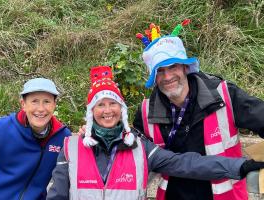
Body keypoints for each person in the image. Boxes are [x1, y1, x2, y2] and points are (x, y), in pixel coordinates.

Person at [47, 66, 264, 200]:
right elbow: (57, 195)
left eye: (113, 104)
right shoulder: (71, 148)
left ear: (121, 110)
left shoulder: (139, 147)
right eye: (99, 104)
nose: (107, 111)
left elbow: (186, 163)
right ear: (91, 112)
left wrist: (239, 166)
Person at [133, 20, 264, 200]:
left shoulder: (224, 95)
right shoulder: (146, 112)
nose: (168, 76)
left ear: (186, 67)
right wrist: (94, 132)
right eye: (160, 71)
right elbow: (128, 154)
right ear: (154, 78)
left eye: (173, 67)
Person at [0, 78, 72, 200]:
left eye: (47, 102)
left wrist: (87, 134)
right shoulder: (2, 129)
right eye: (34, 101)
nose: (40, 108)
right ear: (23, 104)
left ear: (54, 105)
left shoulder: (63, 137)